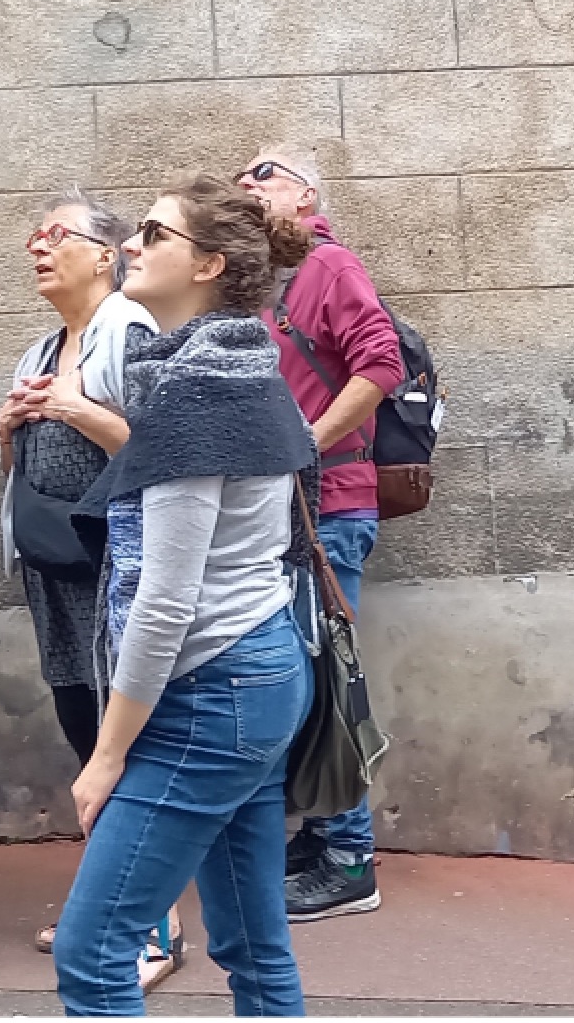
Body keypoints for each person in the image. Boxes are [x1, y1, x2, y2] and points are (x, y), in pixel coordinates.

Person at [53, 174, 320, 1016]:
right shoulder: (244, 363)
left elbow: (168, 600)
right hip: (257, 673)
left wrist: (107, 754)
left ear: (208, 266)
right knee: (253, 949)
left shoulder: (195, 390)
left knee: (93, 952)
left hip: (212, 691)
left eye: (154, 234)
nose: (131, 246)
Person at [0, 189, 184, 987]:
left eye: (56, 235)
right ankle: (117, 906)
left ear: (106, 254)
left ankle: (154, 925)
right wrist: (11, 428)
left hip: (112, 569)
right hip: (56, 569)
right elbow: (19, 469)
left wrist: (72, 408)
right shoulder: (41, 350)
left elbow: (158, 443)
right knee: (85, 733)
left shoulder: (128, 330)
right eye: (34, 238)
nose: (39, 248)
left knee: (123, 747)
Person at [241, 147, 404, 922]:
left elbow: (381, 364)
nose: (246, 184)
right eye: (240, 177)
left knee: (326, 679)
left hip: (329, 509)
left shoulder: (329, 266)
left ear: (307, 195)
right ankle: (321, 835)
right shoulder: (269, 283)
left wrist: (307, 443)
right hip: (291, 513)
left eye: (263, 173)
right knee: (303, 677)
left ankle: (350, 860)